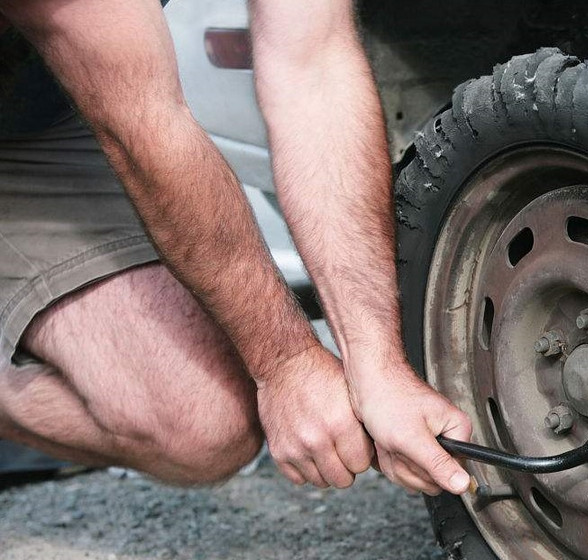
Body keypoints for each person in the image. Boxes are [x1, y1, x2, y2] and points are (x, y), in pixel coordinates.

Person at [0, 0, 474, 496]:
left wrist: (377, 365)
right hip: (109, 103)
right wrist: (286, 365)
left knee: (200, 424)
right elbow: (145, 126)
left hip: (41, 106)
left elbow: (312, 70)